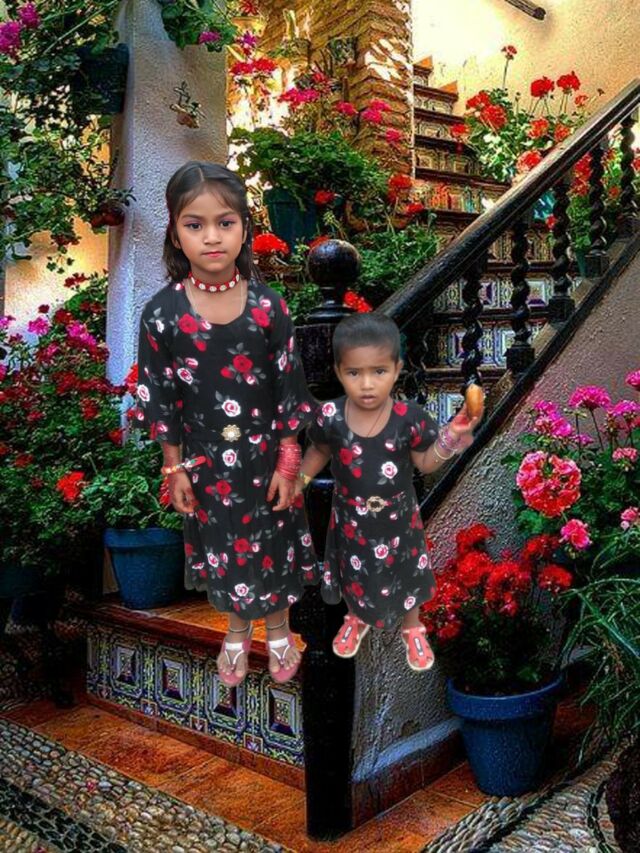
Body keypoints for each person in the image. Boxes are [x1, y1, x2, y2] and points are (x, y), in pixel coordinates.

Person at [136, 161, 318, 687]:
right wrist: (174, 468)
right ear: (176, 233)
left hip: (267, 455)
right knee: (227, 546)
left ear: (244, 228)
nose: (212, 237)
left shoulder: (268, 307)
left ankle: (278, 630)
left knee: (273, 539)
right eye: (195, 225)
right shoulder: (162, 314)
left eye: (225, 223)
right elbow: (159, 396)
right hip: (206, 460)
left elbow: (288, 385)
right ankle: (237, 633)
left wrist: (289, 458)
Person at [296, 313, 479, 672]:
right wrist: (298, 481)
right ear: (339, 372)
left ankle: (413, 629)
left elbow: (425, 462)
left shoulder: (409, 418)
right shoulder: (332, 416)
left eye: (378, 371)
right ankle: (356, 618)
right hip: (351, 517)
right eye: (354, 373)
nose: (367, 384)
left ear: (396, 370)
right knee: (355, 572)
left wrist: (451, 436)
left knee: (407, 573)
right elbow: (318, 450)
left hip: (398, 516)